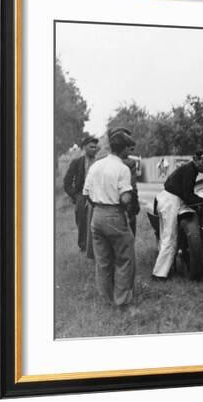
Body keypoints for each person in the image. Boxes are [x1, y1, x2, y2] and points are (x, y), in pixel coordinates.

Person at [82, 130, 136, 306]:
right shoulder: (123, 168)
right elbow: (125, 198)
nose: (130, 151)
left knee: (103, 261)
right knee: (124, 258)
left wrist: (99, 204)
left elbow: (87, 193)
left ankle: (106, 300)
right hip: (114, 214)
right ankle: (121, 301)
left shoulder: (96, 165)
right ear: (123, 149)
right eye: (129, 148)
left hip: (96, 214)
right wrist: (127, 207)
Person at [152, 150, 203, 280]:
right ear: (195, 159)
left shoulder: (190, 169)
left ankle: (164, 270)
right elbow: (188, 197)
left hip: (165, 199)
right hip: (170, 202)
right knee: (170, 239)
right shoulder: (190, 170)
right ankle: (159, 275)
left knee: (166, 238)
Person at [63, 136, 99, 252]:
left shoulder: (99, 163)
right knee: (82, 221)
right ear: (84, 147)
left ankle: (96, 246)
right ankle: (83, 246)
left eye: (95, 147)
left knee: (97, 220)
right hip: (81, 196)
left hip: (98, 195)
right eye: (91, 147)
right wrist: (76, 196)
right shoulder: (77, 162)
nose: (94, 149)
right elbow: (67, 182)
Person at [107, 127, 140, 235]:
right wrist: (134, 206)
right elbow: (132, 187)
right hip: (125, 205)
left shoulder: (102, 161)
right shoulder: (129, 163)